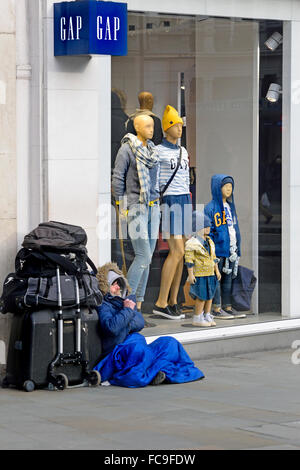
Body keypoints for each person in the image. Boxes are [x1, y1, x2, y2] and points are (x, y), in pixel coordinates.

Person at [93, 262, 204, 387]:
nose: (118, 287)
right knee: (139, 350)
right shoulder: (104, 305)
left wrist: (124, 322)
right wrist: (128, 312)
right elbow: (112, 328)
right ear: (105, 287)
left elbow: (139, 323)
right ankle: (155, 372)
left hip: (135, 345)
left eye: (119, 283)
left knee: (170, 343)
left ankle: (153, 372)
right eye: (113, 285)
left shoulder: (126, 301)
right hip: (120, 351)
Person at [112, 114, 160, 315]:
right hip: (135, 205)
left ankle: (138, 307)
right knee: (142, 255)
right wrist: (120, 205)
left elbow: (156, 180)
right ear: (137, 127)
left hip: (153, 205)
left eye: (152, 126)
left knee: (147, 258)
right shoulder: (127, 149)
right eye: (147, 126)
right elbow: (117, 178)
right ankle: (126, 301)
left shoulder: (152, 151)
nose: (151, 129)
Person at [153, 105, 192, 320]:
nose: (180, 129)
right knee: (176, 250)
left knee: (182, 252)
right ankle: (160, 302)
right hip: (169, 200)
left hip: (185, 198)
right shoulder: (158, 151)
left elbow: (185, 177)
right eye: (176, 125)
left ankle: (173, 300)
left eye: (180, 125)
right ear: (167, 128)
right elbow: (156, 179)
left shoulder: (183, 151)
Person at [204, 174, 246, 319]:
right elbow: (208, 230)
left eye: (231, 186)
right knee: (216, 278)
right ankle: (216, 308)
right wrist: (212, 248)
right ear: (217, 188)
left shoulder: (231, 207)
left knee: (228, 280)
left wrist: (238, 246)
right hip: (218, 250)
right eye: (225, 186)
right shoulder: (210, 208)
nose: (229, 189)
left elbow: (235, 228)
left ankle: (227, 306)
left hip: (231, 249)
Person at [185, 211, 221, 327]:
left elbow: (213, 257)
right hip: (200, 274)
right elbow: (189, 260)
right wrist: (191, 274)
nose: (208, 229)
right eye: (205, 226)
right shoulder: (192, 243)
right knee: (201, 296)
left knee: (210, 296)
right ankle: (197, 316)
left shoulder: (210, 241)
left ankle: (207, 314)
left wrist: (217, 270)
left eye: (208, 226)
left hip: (210, 273)